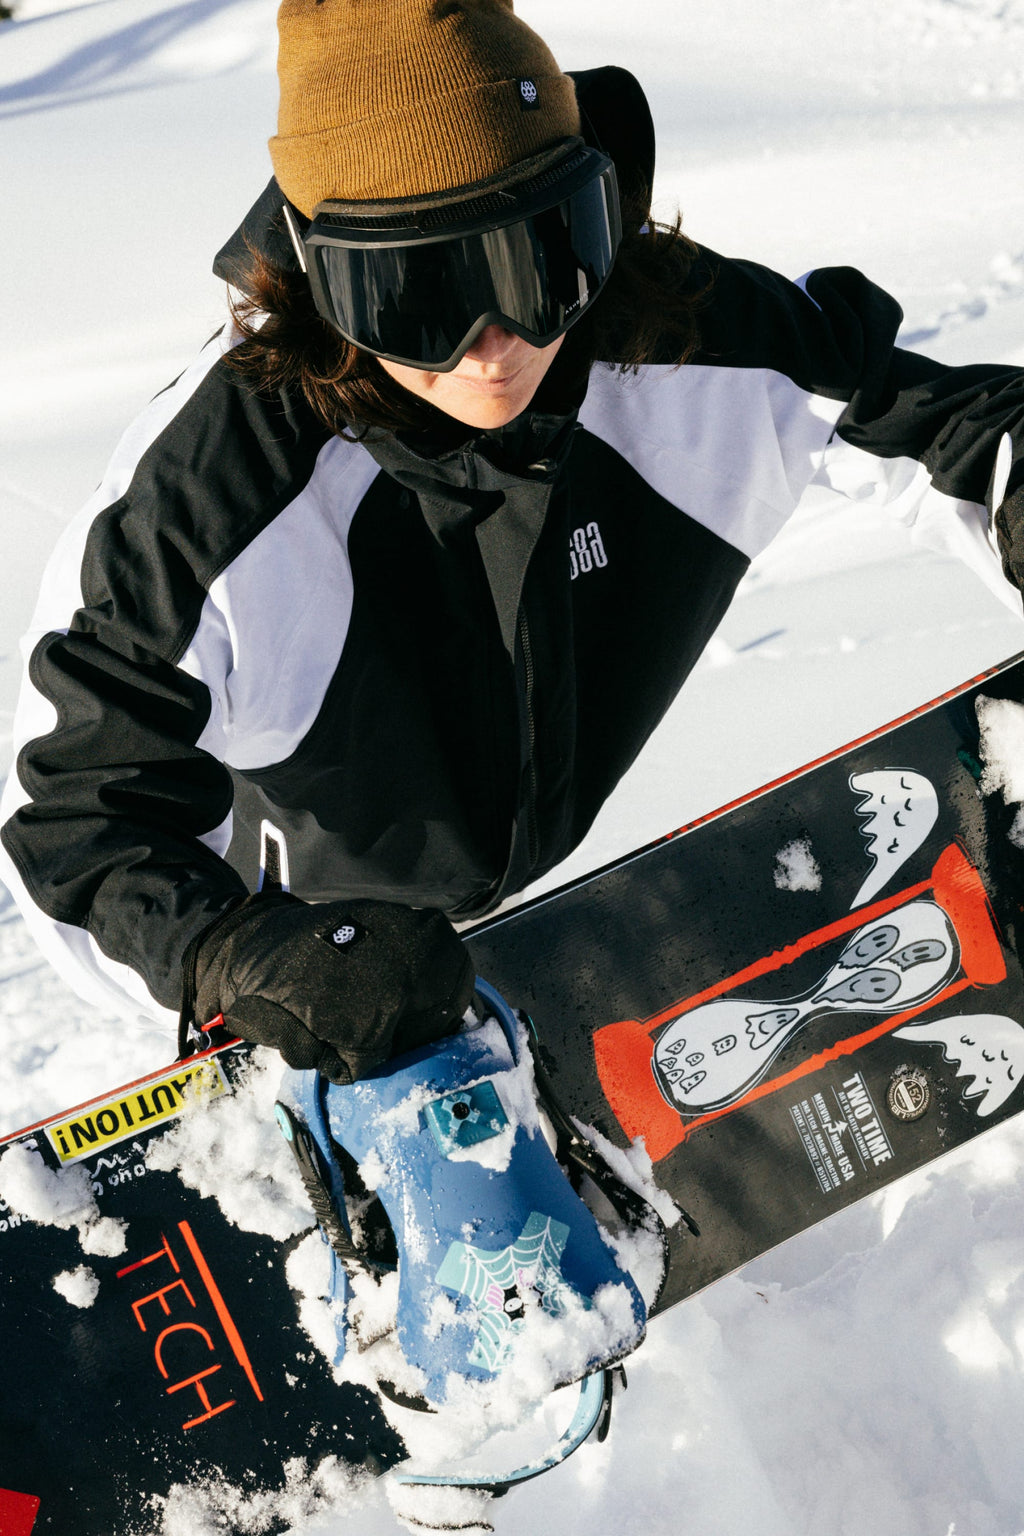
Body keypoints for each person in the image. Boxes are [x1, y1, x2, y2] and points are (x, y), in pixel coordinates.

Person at [1, 0, 1022, 1086]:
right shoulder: (213, 507)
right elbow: (72, 814)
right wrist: (226, 954)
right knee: (343, 988)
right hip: (303, 941)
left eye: (544, 261)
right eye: (419, 295)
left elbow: (944, 429)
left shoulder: (673, 335)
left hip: (524, 842)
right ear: (319, 276)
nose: (498, 347)